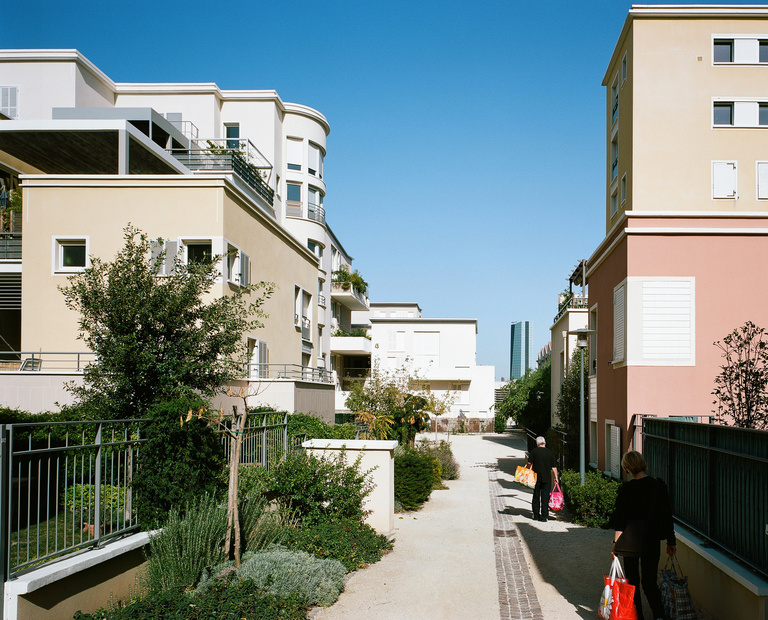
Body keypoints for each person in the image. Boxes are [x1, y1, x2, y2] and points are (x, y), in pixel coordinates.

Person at [609, 450, 676, 620]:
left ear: (628, 468)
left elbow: (620, 521)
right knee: (649, 582)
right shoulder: (658, 485)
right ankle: (659, 615)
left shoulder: (627, 489)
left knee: (633, 583)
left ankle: (636, 615)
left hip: (630, 541)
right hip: (651, 540)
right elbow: (666, 514)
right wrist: (671, 540)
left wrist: (615, 545)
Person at [528, 436, 558, 522]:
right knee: (545, 498)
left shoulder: (534, 451)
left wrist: (526, 469)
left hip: (535, 478)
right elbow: (554, 467)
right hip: (547, 479)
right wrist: (556, 477)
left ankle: (536, 515)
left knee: (536, 496)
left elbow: (529, 463)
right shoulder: (549, 453)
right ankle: (544, 517)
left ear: (537, 444)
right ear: (545, 443)